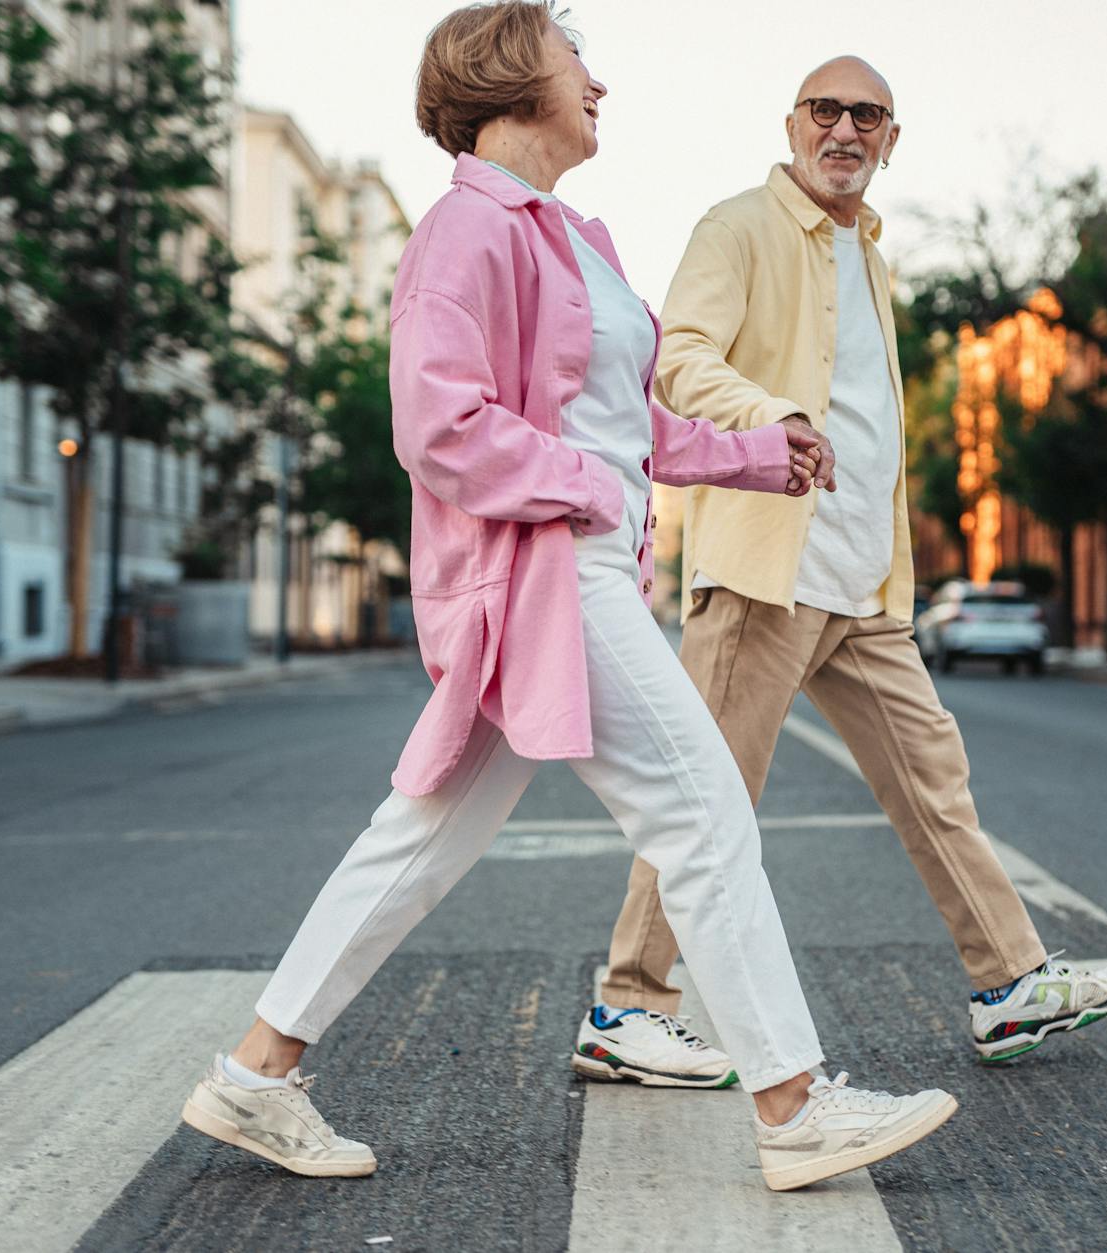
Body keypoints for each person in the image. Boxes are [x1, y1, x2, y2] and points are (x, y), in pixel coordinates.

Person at [177, 2, 954, 1193]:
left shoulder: (567, 236)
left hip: (571, 562)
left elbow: (621, 420)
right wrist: (587, 486)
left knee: (421, 838)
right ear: (509, 76)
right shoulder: (462, 229)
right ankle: (794, 1105)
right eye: (576, 57)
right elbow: (437, 425)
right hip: (547, 571)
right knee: (704, 817)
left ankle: (254, 1070)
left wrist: (757, 453)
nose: (599, 82)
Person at [578, 55, 1107, 1085]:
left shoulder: (868, 253)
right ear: (791, 124)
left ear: (890, 138)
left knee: (933, 780)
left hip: (862, 581)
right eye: (825, 110)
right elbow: (678, 358)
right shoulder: (736, 226)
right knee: (708, 797)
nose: (844, 129)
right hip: (764, 571)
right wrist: (768, 415)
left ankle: (1009, 982)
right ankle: (626, 1004)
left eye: (866, 115)